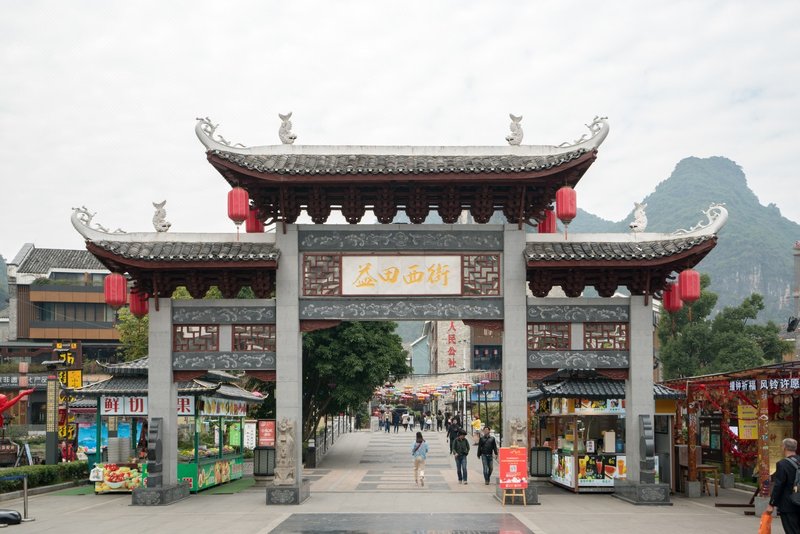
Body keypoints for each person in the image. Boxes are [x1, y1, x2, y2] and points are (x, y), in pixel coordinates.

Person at [767, 437, 800, 534]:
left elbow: (779, 486)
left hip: (788, 504)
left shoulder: (782, 464)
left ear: (784, 448)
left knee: (792, 531)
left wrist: (771, 504)